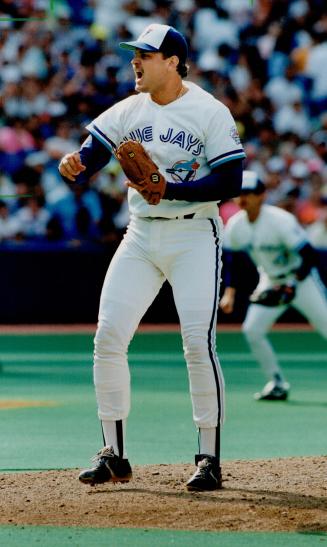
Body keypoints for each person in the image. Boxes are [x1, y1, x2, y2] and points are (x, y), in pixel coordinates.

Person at [59, 23, 245, 491]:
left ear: (173, 61)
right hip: (140, 235)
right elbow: (96, 150)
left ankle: (208, 457)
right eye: (134, 53)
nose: (134, 61)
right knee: (108, 337)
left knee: (197, 344)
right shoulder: (129, 108)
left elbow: (229, 181)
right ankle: (113, 453)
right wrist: (77, 162)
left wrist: (173, 189)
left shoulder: (209, 111)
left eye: (145, 53)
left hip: (195, 236)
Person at [220, 170, 327, 400]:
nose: (243, 198)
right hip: (270, 279)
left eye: (249, 193)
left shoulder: (280, 221)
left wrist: (291, 284)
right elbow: (232, 261)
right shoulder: (236, 225)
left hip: (301, 280)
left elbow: (309, 256)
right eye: (240, 193)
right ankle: (277, 382)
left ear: (262, 195)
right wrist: (229, 292)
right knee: (252, 330)